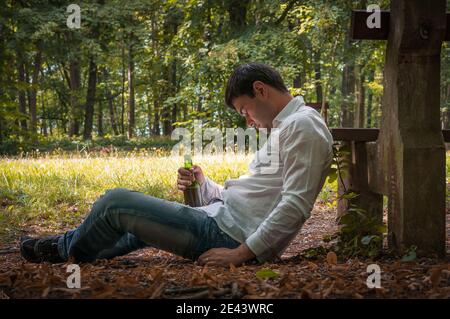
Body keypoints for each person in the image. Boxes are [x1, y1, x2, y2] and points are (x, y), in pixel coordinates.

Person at [20, 63, 333, 266]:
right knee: (132, 227)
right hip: (221, 218)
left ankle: (63, 250)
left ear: (260, 90)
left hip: (230, 236)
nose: (249, 121)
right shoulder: (286, 126)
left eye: (244, 111)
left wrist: (241, 253)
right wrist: (204, 184)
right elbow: (254, 197)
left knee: (114, 203)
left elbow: (295, 203)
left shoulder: (303, 126)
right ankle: (60, 249)